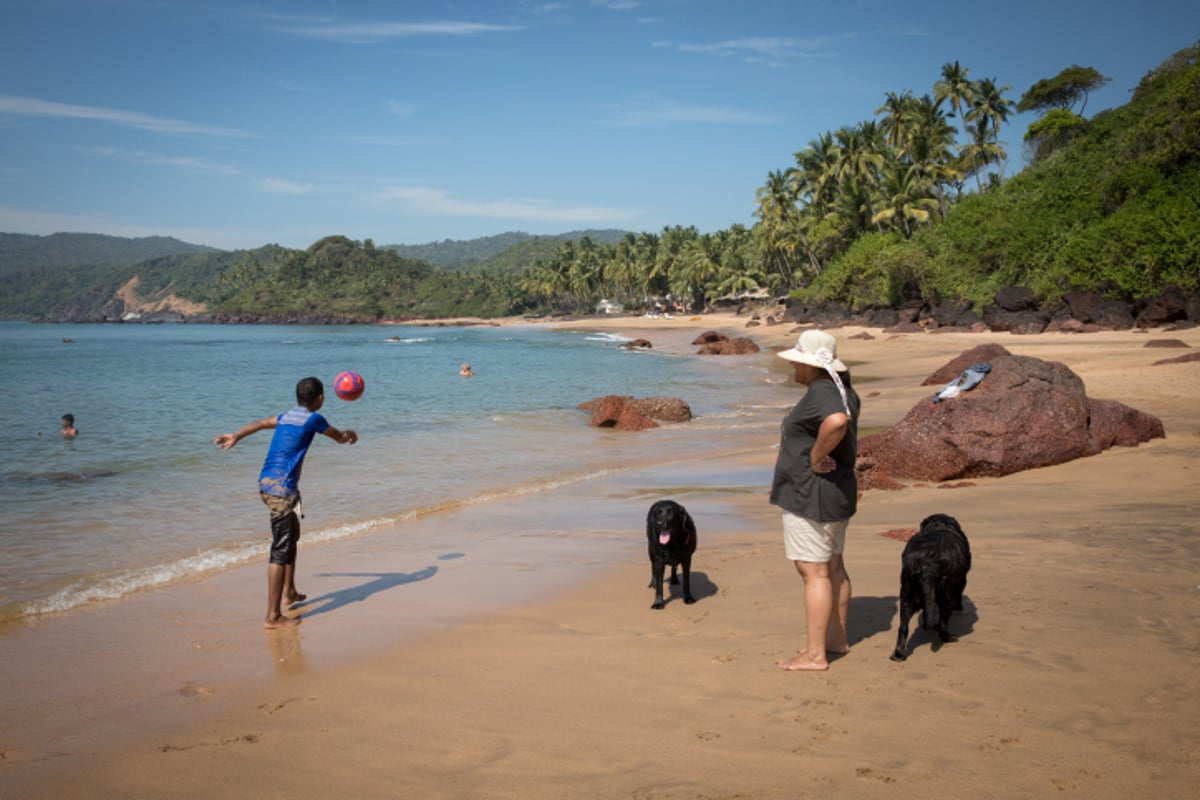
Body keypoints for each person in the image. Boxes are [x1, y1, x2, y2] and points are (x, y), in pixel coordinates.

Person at [214, 376, 358, 629]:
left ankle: (290, 592)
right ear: (321, 398)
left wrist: (235, 436)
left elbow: (259, 424)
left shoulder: (285, 416)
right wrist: (350, 436)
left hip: (270, 484)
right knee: (280, 550)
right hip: (281, 490)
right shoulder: (314, 419)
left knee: (291, 537)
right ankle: (272, 616)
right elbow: (338, 437)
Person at [770, 329, 860, 671]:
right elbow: (840, 419)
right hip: (836, 493)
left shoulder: (822, 390)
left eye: (798, 361)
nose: (793, 367)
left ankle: (815, 654)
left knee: (814, 572)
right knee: (833, 567)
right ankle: (835, 640)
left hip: (812, 495)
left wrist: (813, 456)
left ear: (814, 366)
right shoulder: (841, 388)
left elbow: (836, 423)